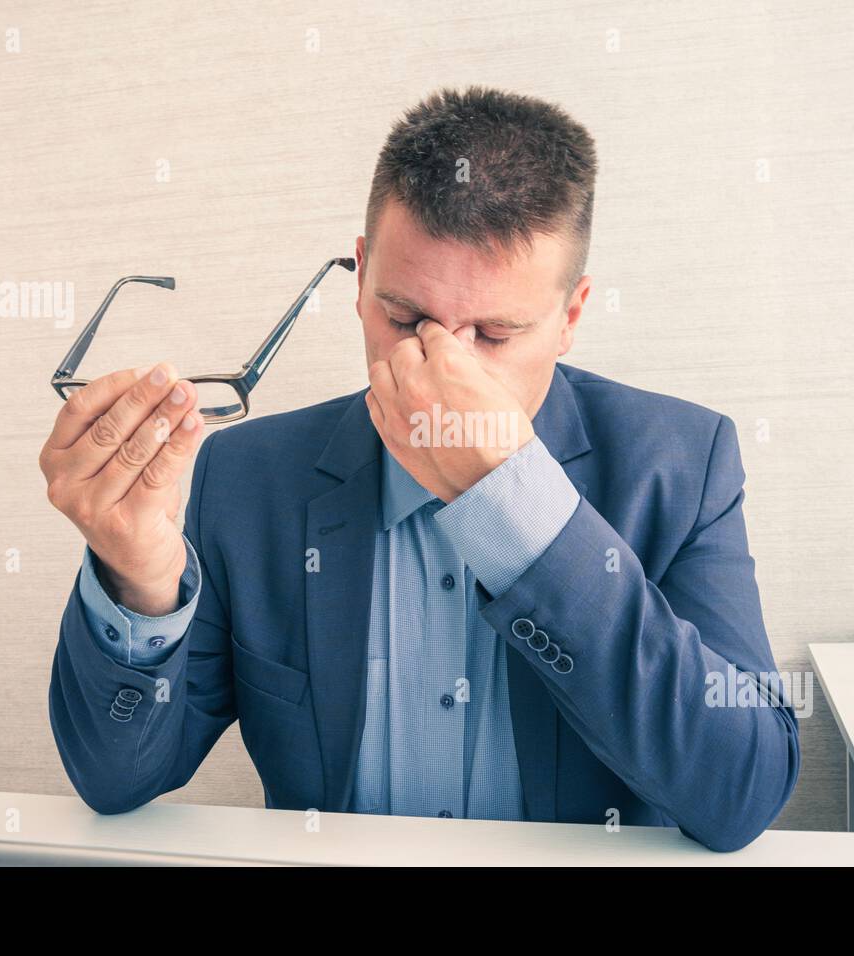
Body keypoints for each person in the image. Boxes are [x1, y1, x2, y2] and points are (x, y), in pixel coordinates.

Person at [40, 85, 800, 852]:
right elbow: (117, 779)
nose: (441, 369)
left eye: (495, 335)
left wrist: (517, 507)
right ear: (363, 280)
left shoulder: (678, 465)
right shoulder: (249, 478)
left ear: (570, 316)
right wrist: (135, 577)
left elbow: (741, 791)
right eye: (405, 319)